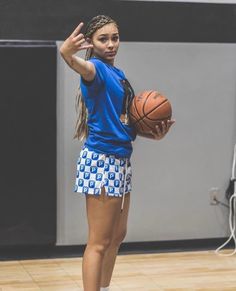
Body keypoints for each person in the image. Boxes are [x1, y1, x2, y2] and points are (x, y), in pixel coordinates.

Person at [60, 15, 174, 291]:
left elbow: (124, 122)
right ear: (91, 42)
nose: (111, 44)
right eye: (103, 39)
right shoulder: (95, 70)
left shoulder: (118, 75)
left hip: (120, 160)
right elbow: (79, 65)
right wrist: (65, 52)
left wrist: (151, 133)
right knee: (98, 242)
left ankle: (105, 288)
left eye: (115, 37)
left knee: (117, 236)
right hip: (102, 160)